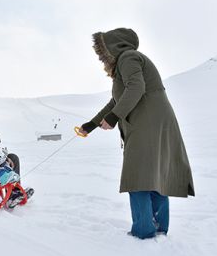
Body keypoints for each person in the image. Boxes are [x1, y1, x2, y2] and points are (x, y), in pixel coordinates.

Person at [79, 28, 195, 239]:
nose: (102, 58)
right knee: (153, 175)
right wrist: (92, 124)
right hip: (156, 123)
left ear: (113, 47)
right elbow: (116, 101)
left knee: (139, 176)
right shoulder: (128, 63)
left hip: (147, 124)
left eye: (103, 52)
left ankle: (144, 231)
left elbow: (136, 87)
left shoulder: (128, 57)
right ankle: (159, 227)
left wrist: (114, 118)